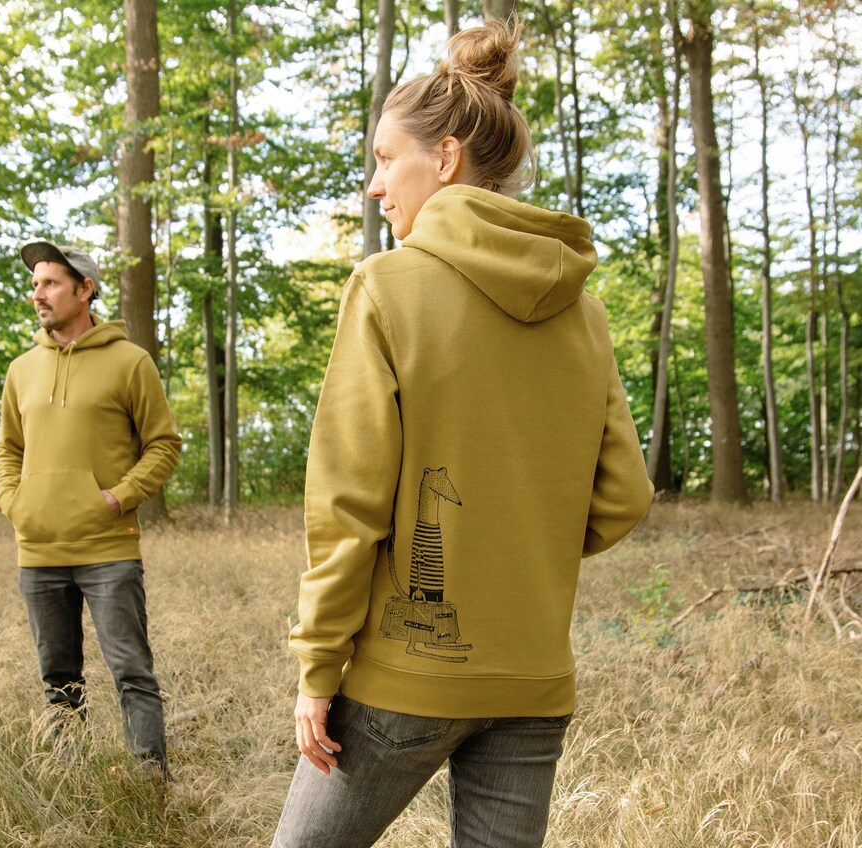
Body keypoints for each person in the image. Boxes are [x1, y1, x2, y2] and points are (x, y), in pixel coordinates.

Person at [272, 19, 654, 848]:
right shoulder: (581, 309)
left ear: (443, 159)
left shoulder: (386, 288)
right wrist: (518, 550)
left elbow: (348, 505)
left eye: (384, 158)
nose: (376, 185)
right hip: (533, 679)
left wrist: (317, 669)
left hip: (405, 675)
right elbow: (623, 496)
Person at [0, 240, 181, 781]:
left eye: (50, 283)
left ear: (85, 289)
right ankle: (67, 786)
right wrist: (14, 501)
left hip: (108, 549)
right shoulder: (22, 370)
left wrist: (117, 497)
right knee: (58, 679)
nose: (38, 294)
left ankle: (151, 789)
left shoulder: (129, 362)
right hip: (38, 551)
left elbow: (164, 444)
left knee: (131, 673)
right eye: (34, 285)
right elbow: (8, 449)